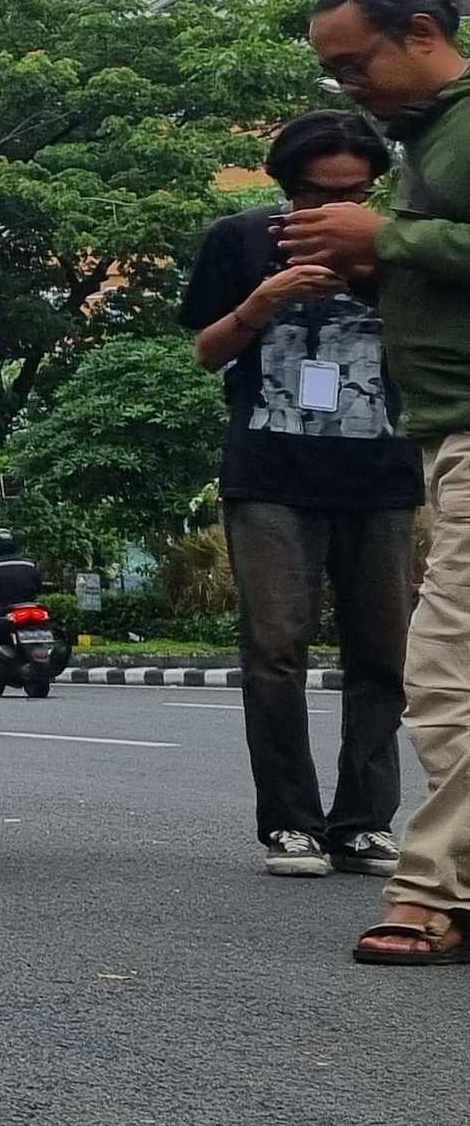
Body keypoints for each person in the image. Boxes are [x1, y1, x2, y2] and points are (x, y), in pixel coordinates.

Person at [279, 0, 470, 962]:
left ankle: (436, 894)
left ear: (423, 31)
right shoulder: (428, 141)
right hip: (444, 435)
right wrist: (382, 256)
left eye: (354, 64)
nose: (347, 86)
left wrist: (385, 236)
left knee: (444, 675)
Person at [183, 110, 418, 876]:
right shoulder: (240, 238)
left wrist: (377, 273)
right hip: (270, 474)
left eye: (356, 192)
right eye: (320, 194)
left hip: (381, 473)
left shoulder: (398, 242)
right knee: (276, 648)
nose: (338, 206)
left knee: (384, 652)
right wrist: (264, 302)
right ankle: (291, 821)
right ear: (289, 186)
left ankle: (364, 822)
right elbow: (205, 354)